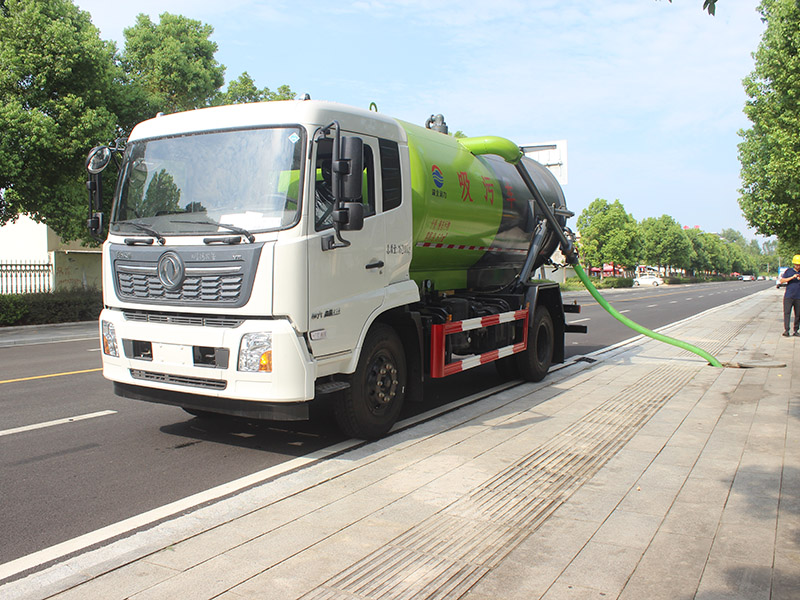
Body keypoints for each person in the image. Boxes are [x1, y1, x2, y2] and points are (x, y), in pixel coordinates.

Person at [779, 255, 800, 336]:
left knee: (798, 314)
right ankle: (786, 330)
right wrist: (792, 277)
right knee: (787, 313)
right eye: (797, 265)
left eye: (799, 265)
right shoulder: (789, 271)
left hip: (798, 297)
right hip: (789, 296)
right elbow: (782, 280)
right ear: (794, 264)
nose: (798, 266)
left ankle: (796, 330)